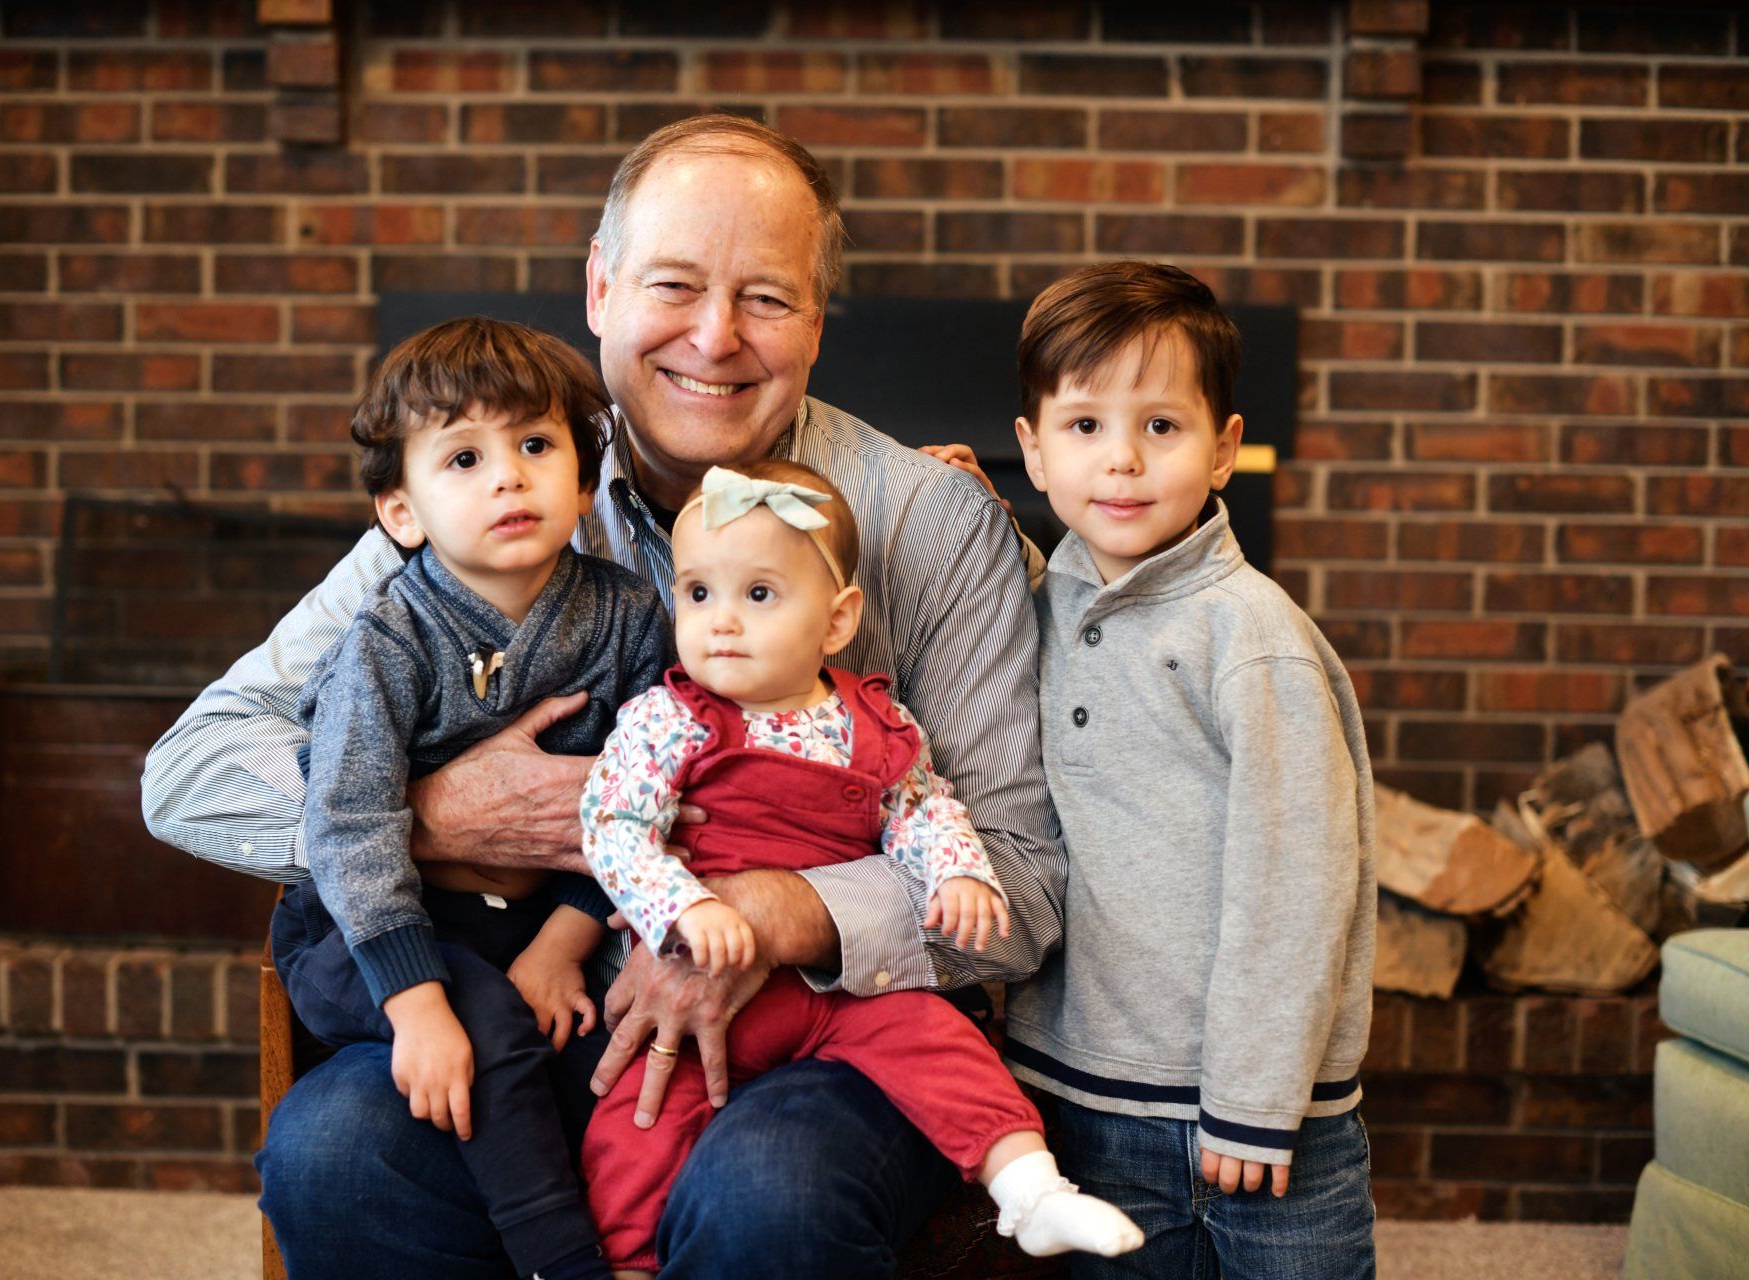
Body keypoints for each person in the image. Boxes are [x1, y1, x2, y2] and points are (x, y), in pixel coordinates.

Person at [140, 114, 1064, 1279]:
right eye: (674, 285)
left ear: (817, 325)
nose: (715, 337)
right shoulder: (493, 482)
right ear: (599, 288)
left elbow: (1023, 878)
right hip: (541, 1000)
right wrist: (431, 815)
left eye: (766, 299)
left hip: (823, 1029)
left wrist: (763, 913)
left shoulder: (931, 526)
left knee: (767, 1193)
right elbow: (192, 769)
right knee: (337, 1153)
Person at [577, 460, 1143, 1275]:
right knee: (636, 1122)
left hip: (842, 991)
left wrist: (957, 875)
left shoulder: (871, 720)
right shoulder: (668, 719)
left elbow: (921, 809)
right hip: (701, 1005)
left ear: (838, 620)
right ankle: (627, 1263)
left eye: (758, 594)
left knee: (942, 1045)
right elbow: (614, 826)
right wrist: (682, 907)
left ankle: (1031, 1190)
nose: (721, 621)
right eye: (698, 593)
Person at [942, 260, 1379, 1278]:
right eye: (1084, 426)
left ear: (1225, 450)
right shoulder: (1052, 601)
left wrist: (1256, 1098)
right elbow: (1061, 605)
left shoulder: (1250, 638)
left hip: (1256, 1115)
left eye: (1162, 426)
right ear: (1034, 451)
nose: (1122, 460)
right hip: (1085, 1091)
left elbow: (1298, 883)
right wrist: (974, 520)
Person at [275, 316, 669, 1280]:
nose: (507, 478)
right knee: (488, 1027)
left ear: (584, 481)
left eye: (535, 446)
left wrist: (561, 945)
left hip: (531, 932)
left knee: (594, 1058)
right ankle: (561, 1261)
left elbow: (643, 803)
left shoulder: (626, 618)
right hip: (364, 936)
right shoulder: (388, 639)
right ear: (402, 512)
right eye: (463, 458)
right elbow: (349, 824)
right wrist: (416, 1006)